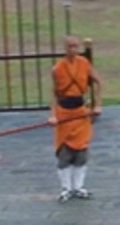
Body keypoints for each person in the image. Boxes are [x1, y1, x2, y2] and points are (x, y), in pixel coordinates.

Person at [51, 35, 105, 202]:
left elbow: (99, 82)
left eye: (76, 46)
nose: (73, 49)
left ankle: (78, 187)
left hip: (81, 113)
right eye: (70, 46)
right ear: (65, 48)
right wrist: (52, 115)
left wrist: (98, 105)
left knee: (81, 152)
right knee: (65, 154)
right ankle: (66, 188)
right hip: (64, 113)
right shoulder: (57, 68)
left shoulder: (84, 64)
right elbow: (53, 94)